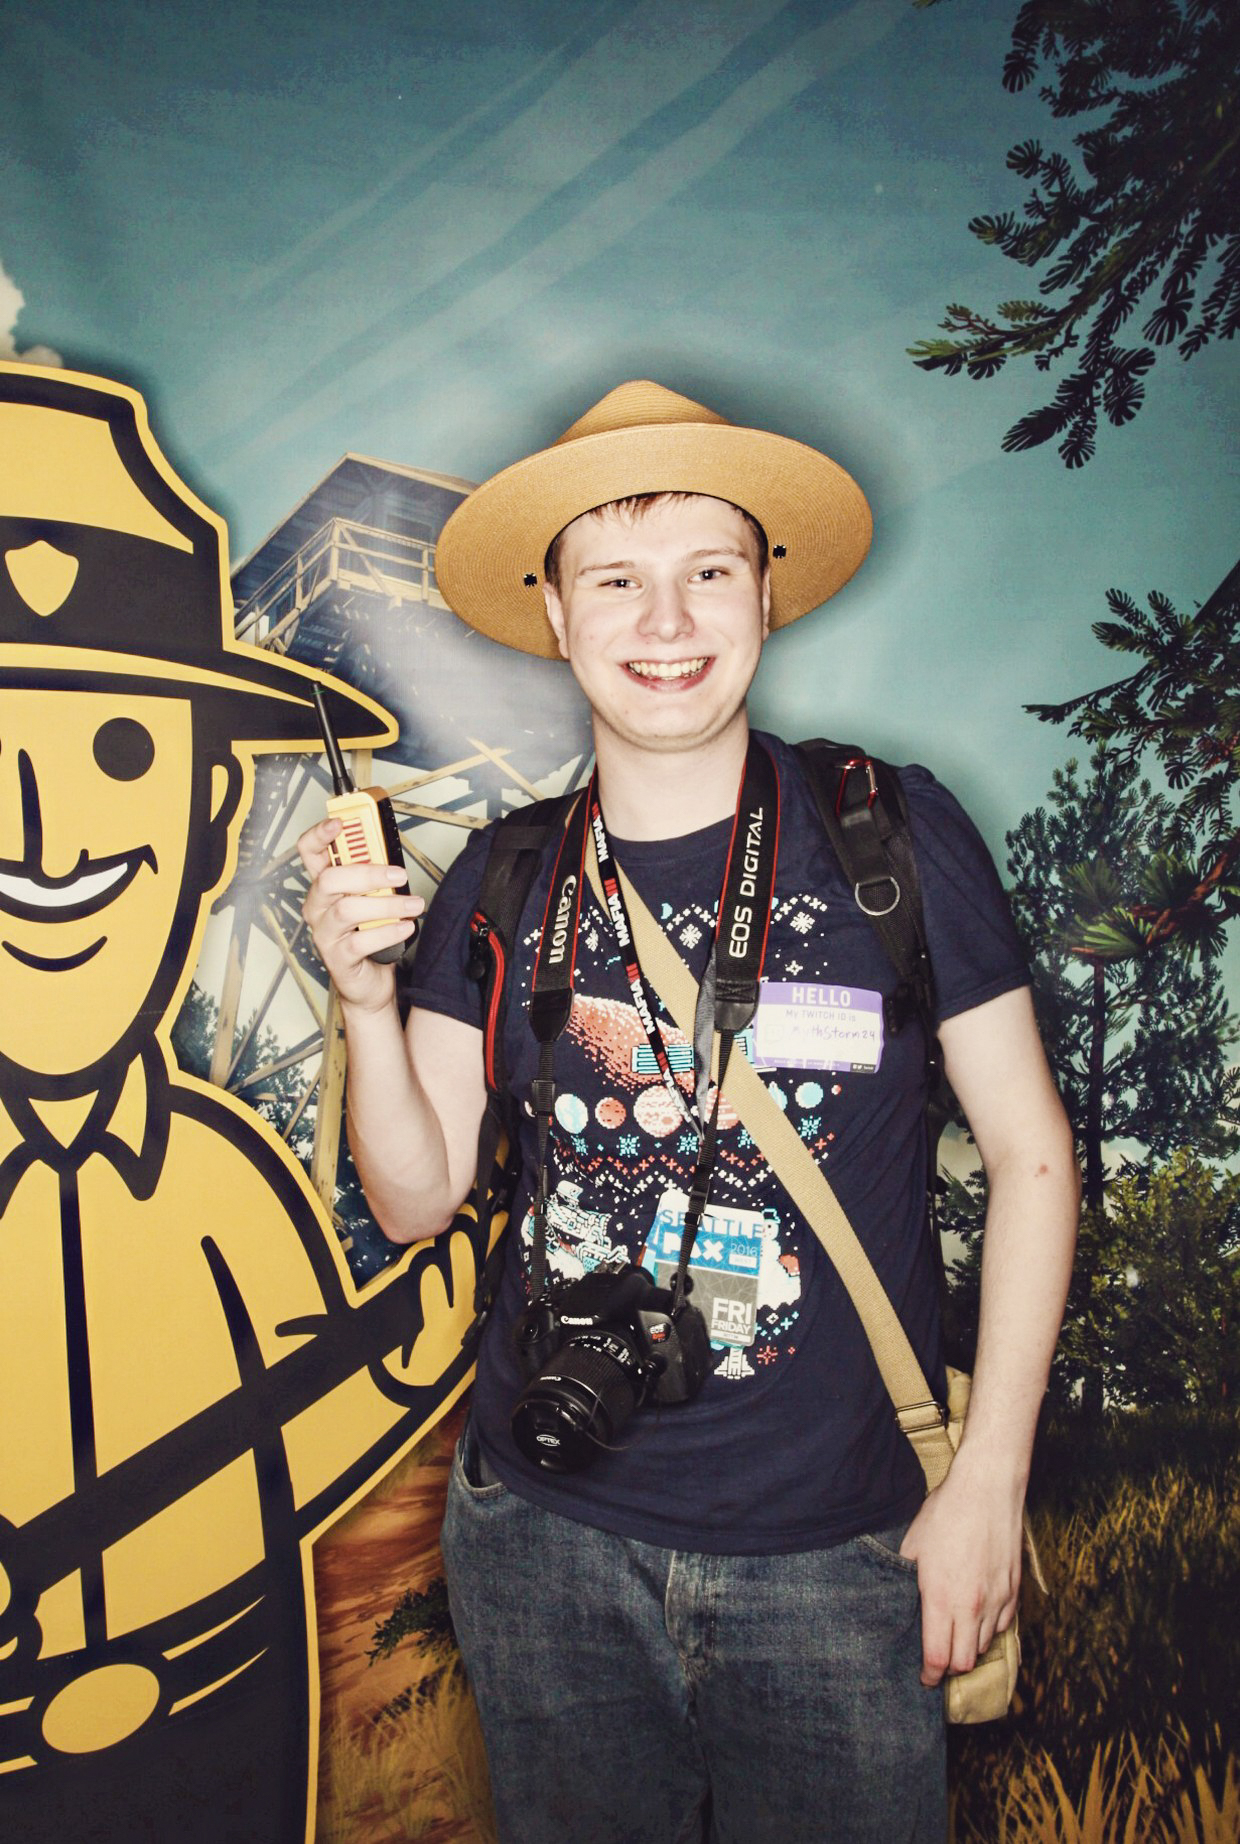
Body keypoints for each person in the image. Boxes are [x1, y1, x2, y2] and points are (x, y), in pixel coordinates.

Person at [298, 380, 1079, 1844]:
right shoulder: (505, 877)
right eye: (615, 581)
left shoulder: (890, 834)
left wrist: (993, 1479)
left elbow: (1033, 1154)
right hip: (542, 1540)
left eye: (708, 571)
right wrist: (364, 1001)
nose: (666, 622)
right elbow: (413, 1200)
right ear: (553, 611)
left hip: (839, 1556)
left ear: (766, 594)